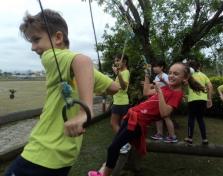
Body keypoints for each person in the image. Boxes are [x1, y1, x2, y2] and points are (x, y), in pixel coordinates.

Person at [4, 9, 118, 176]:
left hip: (41, 152)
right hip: (65, 155)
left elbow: (83, 60)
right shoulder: (81, 69)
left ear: (58, 38)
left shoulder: (51, 57)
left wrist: (84, 111)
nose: (33, 48)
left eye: (36, 40)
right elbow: (115, 88)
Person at [88, 62, 206, 176]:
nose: (171, 75)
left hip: (137, 123)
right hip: (131, 116)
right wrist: (147, 75)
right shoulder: (166, 88)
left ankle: (103, 174)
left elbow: (165, 113)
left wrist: (159, 91)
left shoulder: (177, 94)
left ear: (184, 79)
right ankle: (107, 168)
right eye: (170, 72)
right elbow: (146, 92)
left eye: (176, 74)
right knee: (115, 147)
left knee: (113, 148)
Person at [184, 60, 213, 145]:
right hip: (203, 100)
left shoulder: (189, 75)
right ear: (198, 67)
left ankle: (189, 138)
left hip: (192, 100)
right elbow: (210, 86)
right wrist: (209, 99)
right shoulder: (203, 75)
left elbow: (184, 85)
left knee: (191, 119)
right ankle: (204, 139)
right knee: (200, 119)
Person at [148, 60, 178, 143]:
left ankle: (173, 136)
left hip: (165, 99)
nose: (154, 68)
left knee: (166, 117)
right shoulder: (157, 77)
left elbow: (171, 87)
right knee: (157, 116)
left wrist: (163, 81)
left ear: (161, 67)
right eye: (153, 66)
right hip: (158, 98)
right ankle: (159, 134)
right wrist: (149, 85)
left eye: (156, 66)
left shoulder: (165, 76)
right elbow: (156, 87)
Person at [111, 54, 130, 153]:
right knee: (122, 125)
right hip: (121, 102)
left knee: (113, 123)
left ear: (124, 61)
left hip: (120, 102)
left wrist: (118, 74)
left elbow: (123, 87)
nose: (116, 62)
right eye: (115, 60)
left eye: (118, 60)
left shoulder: (125, 72)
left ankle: (123, 143)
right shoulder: (122, 72)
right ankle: (124, 143)